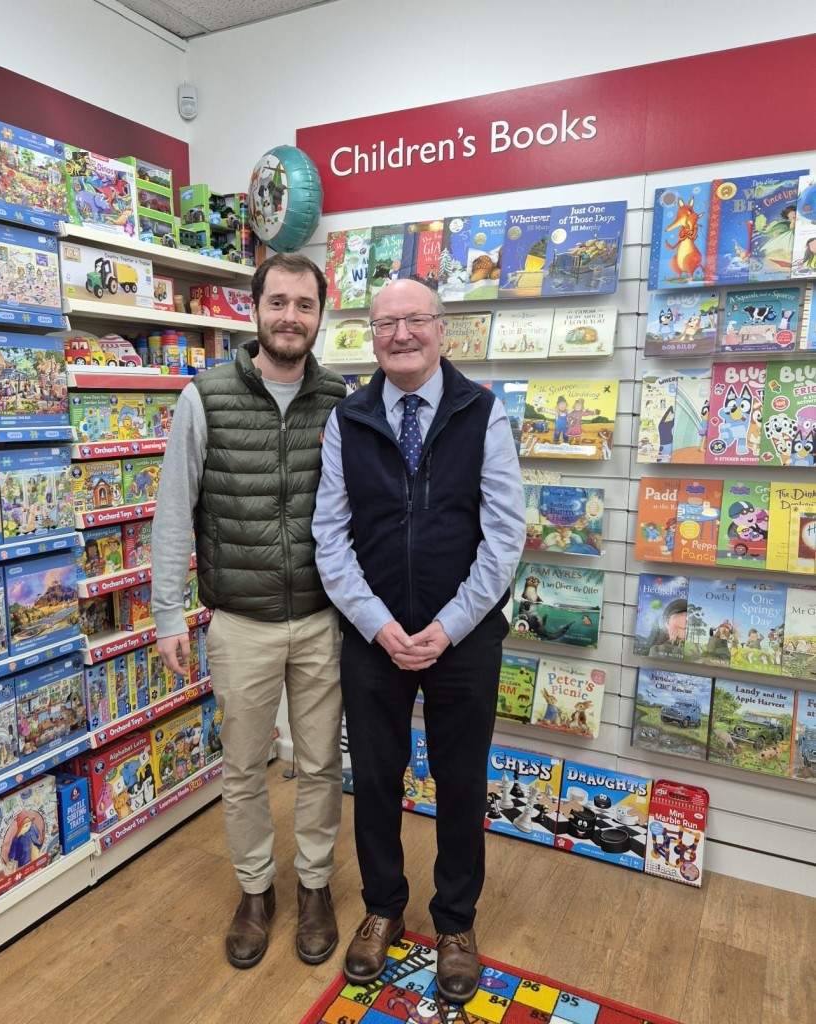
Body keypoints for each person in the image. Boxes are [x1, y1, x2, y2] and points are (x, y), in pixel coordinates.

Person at [312, 278, 526, 1005]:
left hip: (463, 638)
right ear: (371, 336)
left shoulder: (482, 412)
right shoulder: (349, 418)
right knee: (373, 779)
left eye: (415, 321)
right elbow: (329, 537)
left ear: (443, 331)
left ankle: (456, 924)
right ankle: (381, 907)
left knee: (462, 782)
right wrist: (378, 624)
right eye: (386, 324)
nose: (401, 334)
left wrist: (448, 626)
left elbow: (503, 537)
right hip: (373, 637)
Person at [151, 252, 347, 971]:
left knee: (323, 762)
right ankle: (256, 890)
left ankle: (317, 885)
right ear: (254, 309)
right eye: (279, 303)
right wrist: (168, 614)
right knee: (242, 767)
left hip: (325, 620)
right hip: (239, 620)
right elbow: (175, 511)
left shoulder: (343, 401)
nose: (291, 316)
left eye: (305, 304)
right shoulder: (204, 396)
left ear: (320, 315)